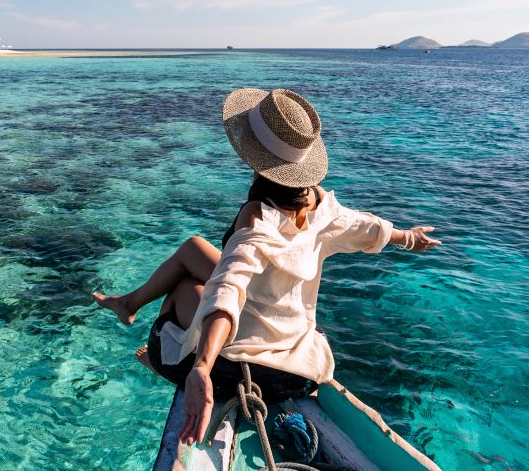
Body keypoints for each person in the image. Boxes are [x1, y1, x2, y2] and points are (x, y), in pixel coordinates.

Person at [92, 88, 441, 445]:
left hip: (250, 373)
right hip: (300, 367)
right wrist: (408, 238)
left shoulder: (257, 217)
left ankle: (169, 364)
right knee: (194, 248)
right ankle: (128, 304)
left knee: (184, 291)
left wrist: (201, 367)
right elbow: (363, 226)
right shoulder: (318, 202)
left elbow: (228, 287)